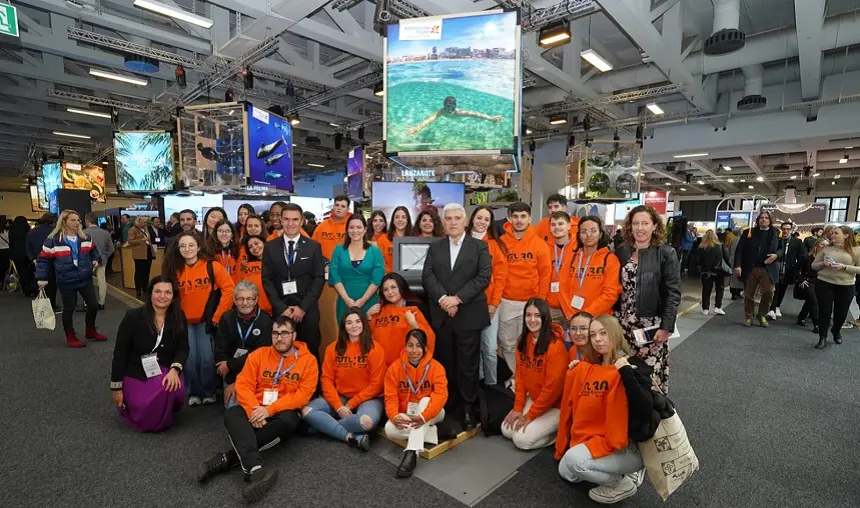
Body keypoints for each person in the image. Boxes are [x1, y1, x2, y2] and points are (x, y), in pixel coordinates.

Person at [197, 316, 319, 503]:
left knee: (289, 422)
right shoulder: (259, 354)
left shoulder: (309, 361)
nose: (279, 338)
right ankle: (255, 469)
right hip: (254, 406)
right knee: (232, 414)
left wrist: (268, 411)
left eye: (284, 333)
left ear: (294, 335)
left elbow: (302, 396)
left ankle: (225, 459)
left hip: (281, 411)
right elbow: (243, 384)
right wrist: (255, 409)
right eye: (275, 333)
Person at [555, 315, 646, 505]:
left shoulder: (632, 366)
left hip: (627, 446)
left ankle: (621, 482)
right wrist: (577, 371)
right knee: (566, 472)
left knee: (574, 461)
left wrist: (628, 374)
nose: (597, 339)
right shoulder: (591, 366)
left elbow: (645, 409)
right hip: (597, 438)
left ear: (614, 333)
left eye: (603, 333)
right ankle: (609, 470)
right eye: (593, 334)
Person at [422, 203, 491, 430]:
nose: (452, 222)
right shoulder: (435, 247)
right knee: (445, 363)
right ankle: (447, 404)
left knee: (468, 365)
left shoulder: (479, 247)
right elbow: (428, 276)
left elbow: (483, 278)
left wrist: (457, 299)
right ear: (443, 223)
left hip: (468, 314)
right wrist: (444, 299)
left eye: (457, 218)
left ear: (465, 221)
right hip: (442, 315)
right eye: (448, 218)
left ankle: (468, 407)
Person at [162, 230, 234, 405]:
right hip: (183, 322)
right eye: (183, 246)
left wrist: (218, 315)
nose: (187, 249)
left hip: (205, 322)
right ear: (178, 249)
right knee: (190, 360)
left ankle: (208, 391)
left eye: (191, 245)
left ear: (199, 246)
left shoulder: (212, 266)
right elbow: (165, 294)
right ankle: (194, 392)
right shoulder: (173, 269)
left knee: (207, 358)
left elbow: (229, 289)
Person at [615, 205, 681, 393]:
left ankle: (654, 417)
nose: (640, 228)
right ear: (629, 226)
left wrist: (666, 326)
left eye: (645, 223)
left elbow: (673, 293)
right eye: (635, 223)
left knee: (648, 377)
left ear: (654, 226)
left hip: (651, 327)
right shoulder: (622, 251)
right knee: (625, 372)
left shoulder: (666, 253)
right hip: (623, 325)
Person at [110, 276, 187, 432]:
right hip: (136, 371)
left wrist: (175, 370)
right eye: (157, 291)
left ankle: (166, 409)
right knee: (145, 406)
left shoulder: (179, 317)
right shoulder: (133, 317)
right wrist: (117, 388)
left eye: (168, 292)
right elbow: (120, 352)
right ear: (150, 293)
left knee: (170, 388)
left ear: (174, 296)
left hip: (165, 368)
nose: (162, 296)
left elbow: (183, 348)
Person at [302, 308, 386, 449]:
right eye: (349, 322)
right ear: (343, 326)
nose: (354, 326)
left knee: (366, 422)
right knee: (306, 411)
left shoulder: (375, 348)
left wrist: (351, 404)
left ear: (364, 324)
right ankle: (351, 437)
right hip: (341, 397)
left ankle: (323, 427)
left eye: (358, 321)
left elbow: (377, 385)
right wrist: (338, 406)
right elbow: (326, 380)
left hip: (369, 398)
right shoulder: (332, 348)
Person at [261, 203, 326, 366]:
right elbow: (267, 280)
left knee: (309, 351)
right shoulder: (270, 247)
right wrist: (281, 307)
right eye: (287, 219)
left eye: (295, 219)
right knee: (281, 351)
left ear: (302, 221)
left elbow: (318, 278)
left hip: (306, 309)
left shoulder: (313, 247)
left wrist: (303, 307)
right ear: (281, 221)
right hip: (281, 309)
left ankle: (313, 390)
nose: (291, 224)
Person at [502, 298, 567, 450]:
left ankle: (557, 433)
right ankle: (538, 427)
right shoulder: (524, 341)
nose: (532, 320)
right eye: (528, 315)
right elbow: (520, 377)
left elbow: (552, 390)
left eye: (537, 316)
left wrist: (530, 415)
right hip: (535, 398)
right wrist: (518, 408)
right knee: (507, 430)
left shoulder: (555, 347)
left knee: (521, 440)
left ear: (545, 317)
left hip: (556, 405)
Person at [35, 209, 107, 347]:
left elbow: (94, 252)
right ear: (64, 222)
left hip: (85, 278)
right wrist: (42, 278)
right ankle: (70, 336)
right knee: (69, 308)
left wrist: (96, 259)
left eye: (78, 220)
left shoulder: (85, 238)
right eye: (73, 220)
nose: (77, 223)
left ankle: (90, 330)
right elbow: (43, 260)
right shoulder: (53, 241)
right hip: (66, 280)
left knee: (93, 305)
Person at [383, 329, 448, 479]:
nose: (414, 350)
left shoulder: (436, 367)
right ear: (405, 347)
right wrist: (393, 416)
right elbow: (390, 397)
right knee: (389, 429)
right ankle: (430, 432)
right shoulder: (395, 368)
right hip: (409, 414)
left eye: (418, 346)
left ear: (425, 348)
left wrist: (424, 416)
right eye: (410, 345)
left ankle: (411, 452)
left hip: (433, 413)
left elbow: (441, 395)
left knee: (426, 400)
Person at [498, 202, 552, 375]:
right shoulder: (501, 243)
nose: (519, 220)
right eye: (515, 216)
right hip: (507, 301)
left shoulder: (539, 244)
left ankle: (529, 379)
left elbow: (545, 274)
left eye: (523, 216)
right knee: (507, 343)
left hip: (531, 303)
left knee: (531, 343)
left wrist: (540, 301)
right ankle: (515, 378)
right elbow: (497, 272)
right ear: (509, 218)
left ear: (529, 218)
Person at [466, 205, 508, 387]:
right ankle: (477, 382)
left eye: (486, 219)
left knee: (490, 348)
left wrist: (494, 304)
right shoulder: (462, 242)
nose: (482, 222)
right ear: (472, 219)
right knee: (472, 349)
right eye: (479, 218)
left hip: (489, 304)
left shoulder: (495, 245)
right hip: (466, 304)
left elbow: (500, 277)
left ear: (490, 223)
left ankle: (491, 385)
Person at [214, 281, 274, 408]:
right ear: (234, 300)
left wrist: (236, 380)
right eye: (240, 299)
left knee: (259, 405)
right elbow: (220, 349)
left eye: (249, 299)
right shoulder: (226, 318)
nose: (245, 303)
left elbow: (260, 355)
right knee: (233, 407)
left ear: (256, 299)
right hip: (230, 372)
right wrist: (230, 379)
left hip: (256, 374)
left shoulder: (266, 321)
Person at [367, 272, 436, 366]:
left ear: (401, 287)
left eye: (393, 287)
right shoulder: (381, 310)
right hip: (383, 365)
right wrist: (368, 316)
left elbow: (429, 339)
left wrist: (414, 324)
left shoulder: (416, 308)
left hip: (407, 366)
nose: (390, 292)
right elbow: (369, 337)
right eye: (385, 289)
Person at [328, 214, 385, 323]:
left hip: (369, 302)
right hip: (345, 302)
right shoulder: (338, 250)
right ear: (347, 230)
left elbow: (377, 279)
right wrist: (348, 300)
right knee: (346, 336)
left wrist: (361, 301)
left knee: (369, 337)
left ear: (365, 230)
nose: (355, 231)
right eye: (351, 227)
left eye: (359, 227)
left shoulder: (375, 251)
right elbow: (335, 276)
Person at [811, 225, 860, 348]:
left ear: (846, 235)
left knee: (841, 313)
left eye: (836, 233)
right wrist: (823, 263)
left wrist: (844, 267)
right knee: (824, 311)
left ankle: (836, 331)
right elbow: (814, 266)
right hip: (824, 283)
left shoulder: (857, 249)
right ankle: (822, 337)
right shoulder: (826, 249)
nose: (832, 235)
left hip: (846, 285)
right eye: (831, 233)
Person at [567, 216, 622, 319]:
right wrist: (570, 313)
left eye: (593, 231)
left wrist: (587, 314)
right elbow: (563, 288)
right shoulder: (572, 257)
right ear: (579, 235)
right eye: (584, 231)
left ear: (600, 234)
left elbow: (610, 294)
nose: (588, 235)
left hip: (599, 319)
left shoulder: (610, 259)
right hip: (573, 317)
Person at [733, 211, 780, 327]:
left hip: (768, 269)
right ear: (758, 220)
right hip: (751, 268)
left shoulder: (776, 233)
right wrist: (738, 265)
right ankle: (749, 316)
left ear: (770, 220)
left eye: (766, 218)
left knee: (769, 292)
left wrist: (777, 255)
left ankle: (762, 315)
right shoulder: (748, 232)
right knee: (749, 294)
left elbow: (782, 248)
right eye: (761, 218)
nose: (764, 220)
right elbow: (739, 250)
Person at [407, 95, 502, 135]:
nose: (449, 110)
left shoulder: (458, 112)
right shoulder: (441, 112)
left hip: (457, 118)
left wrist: (491, 118)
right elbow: (428, 121)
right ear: (443, 106)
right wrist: (415, 129)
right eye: (447, 107)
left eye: (451, 107)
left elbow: (476, 115)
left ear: (455, 107)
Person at [768, 221, 805, 320]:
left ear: (791, 230)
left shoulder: (797, 242)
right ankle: (772, 308)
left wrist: (797, 266)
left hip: (788, 269)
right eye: (784, 229)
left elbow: (802, 255)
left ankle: (777, 306)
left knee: (782, 289)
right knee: (774, 288)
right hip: (775, 267)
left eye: (788, 229)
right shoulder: (776, 239)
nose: (785, 231)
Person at [546, 211, 577, 325]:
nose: (556, 227)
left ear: (569, 225)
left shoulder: (579, 246)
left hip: (572, 305)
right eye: (553, 225)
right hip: (551, 306)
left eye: (560, 224)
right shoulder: (545, 247)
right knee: (552, 340)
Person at [797, 238, 827, 338]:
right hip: (808, 281)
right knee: (814, 301)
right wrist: (800, 279)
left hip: (822, 282)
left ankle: (801, 317)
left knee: (810, 301)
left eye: (826, 245)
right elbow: (796, 269)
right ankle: (816, 325)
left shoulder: (828, 258)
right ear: (816, 246)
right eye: (822, 244)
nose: (824, 247)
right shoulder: (807, 257)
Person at [84, 213, 114, 310]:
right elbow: (111, 248)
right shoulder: (105, 233)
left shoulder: (83, 233)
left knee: (87, 282)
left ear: (87, 221)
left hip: (87, 261)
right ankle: (101, 303)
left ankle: (87, 303)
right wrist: (104, 256)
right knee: (102, 281)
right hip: (102, 260)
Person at [28, 213, 58, 309]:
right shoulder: (53, 231)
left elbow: (28, 247)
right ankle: (51, 305)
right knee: (52, 285)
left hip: (37, 260)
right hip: (51, 260)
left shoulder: (31, 232)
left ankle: (42, 305)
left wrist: (33, 259)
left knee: (40, 283)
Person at [236, 234, 273, 315]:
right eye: (250, 247)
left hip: (278, 309)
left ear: (264, 243)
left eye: (256, 243)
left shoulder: (277, 260)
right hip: (257, 312)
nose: (254, 248)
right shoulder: (247, 266)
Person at [696, 229, 729, 316]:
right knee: (720, 289)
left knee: (706, 290)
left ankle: (705, 309)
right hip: (719, 271)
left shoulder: (701, 247)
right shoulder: (721, 246)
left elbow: (698, 261)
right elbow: (727, 258)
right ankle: (717, 307)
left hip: (705, 272)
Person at [312, 195, 352, 261]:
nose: (339, 208)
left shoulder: (352, 227)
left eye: (343, 206)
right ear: (333, 207)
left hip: (346, 267)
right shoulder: (322, 226)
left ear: (347, 209)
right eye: (337, 205)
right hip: (325, 266)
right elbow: (312, 247)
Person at [377, 206, 412, 273]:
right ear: (393, 221)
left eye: (403, 217)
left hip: (410, 277)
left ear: (408, 220)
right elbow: (380, 263)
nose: (400, 220)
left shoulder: (415, 238)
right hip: (389, 276)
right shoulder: (383, 239)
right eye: (397, 217)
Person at [127, 216, 156, 299]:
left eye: (146, 222)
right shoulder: (132, 230)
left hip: (148, 253)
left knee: (147, 271)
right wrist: (142, 240)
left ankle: (145, 288)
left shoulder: (146, 228)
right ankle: (138, 289)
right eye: (144, 222)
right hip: (139, 254)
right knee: (139, 272)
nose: (145, 223)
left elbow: (149, 239)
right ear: (138, 222)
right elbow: (130, 241)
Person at [9, 216, 34, 296]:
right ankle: (33, 287)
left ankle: (26, 290)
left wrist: (12, 256)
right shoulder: (28, 230)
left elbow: (11, 244)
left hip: (17, 254)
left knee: (22, 272)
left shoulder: (12, 231)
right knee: (31, 271)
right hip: (29, 253)